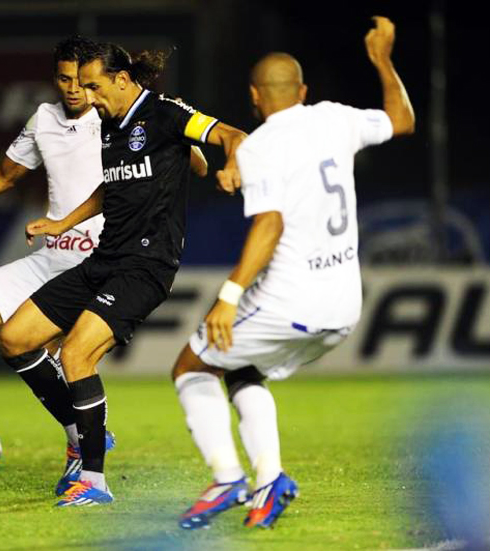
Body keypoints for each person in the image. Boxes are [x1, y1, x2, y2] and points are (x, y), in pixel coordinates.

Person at [0, 36, 210, 491]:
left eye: (82, 80)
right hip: (52, 254)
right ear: (55, 79)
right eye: (65, 79)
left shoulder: (118, 113)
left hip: (103, 258)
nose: (75, 89)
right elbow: (6, 175)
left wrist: (180, 130)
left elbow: (193, 163)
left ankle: (83, 452)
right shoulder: (44, 120)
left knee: (58, 353)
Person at [173, 16, 415, 530]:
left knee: (191, 367)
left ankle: (225, 478)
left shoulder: (260, 145)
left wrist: (230, 294)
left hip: (290, 299)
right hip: (345, 305)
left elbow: (270, 224)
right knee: (242, 370)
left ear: (254, 97)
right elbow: (402, 120)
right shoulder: (333, 118)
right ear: (302, 91)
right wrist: (382, 61)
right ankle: (269, 482)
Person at [0, 40, 246, 506]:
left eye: (94, 86)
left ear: (122, 79)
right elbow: (110, 188)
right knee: (15, 337)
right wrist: (62, 223)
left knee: (75, 354)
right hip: (104, 260)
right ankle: (83, 429)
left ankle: (92, 480)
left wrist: (232, 164)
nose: (87, 96)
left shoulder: (169, 115)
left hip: (146, 267)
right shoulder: (111, 125)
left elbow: (234, 135)